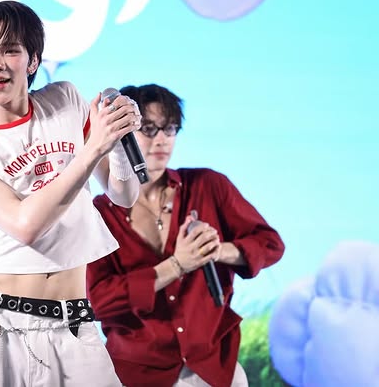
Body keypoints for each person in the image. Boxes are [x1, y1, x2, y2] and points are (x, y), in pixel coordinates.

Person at [0, 0, 141, 386]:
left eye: (10, 50)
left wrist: (115, 140)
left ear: (33, 61)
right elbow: (25, 224)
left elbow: (123, 195)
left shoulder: (65, 100)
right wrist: (94, 147)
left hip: (74, 322)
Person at [86, 84, 286, 387]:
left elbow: (270, 245)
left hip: (213, 365)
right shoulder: (99, 213)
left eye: (170, 129)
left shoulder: (208, 185)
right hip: (138, 371)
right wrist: (176, 265)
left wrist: (216, 250)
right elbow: (98, 301)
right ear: (122, 132)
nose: (162, 140)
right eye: (149, 129)